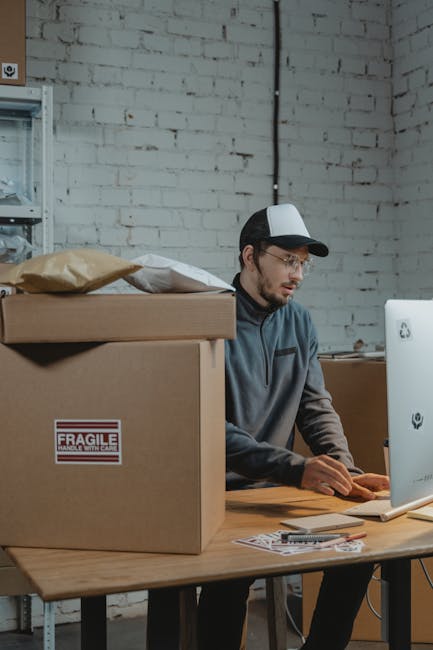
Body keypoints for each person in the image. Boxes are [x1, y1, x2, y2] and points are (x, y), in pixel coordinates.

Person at [147, 202, 389, 650]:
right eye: (287, 260)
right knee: (227, 580)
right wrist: (296, 469)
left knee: (357, 551)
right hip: (214, 494)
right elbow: (204, 425)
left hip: (276, 488)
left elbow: (315, 407)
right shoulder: (207, 317)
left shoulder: (299, 321)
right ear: (249, 256)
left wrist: (345, 475)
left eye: (304, 264)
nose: (297, 274)